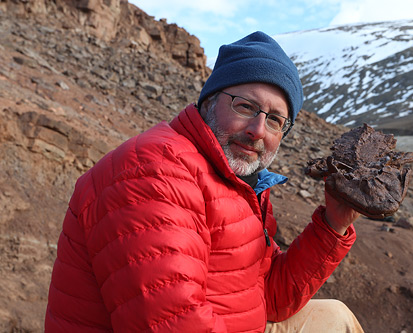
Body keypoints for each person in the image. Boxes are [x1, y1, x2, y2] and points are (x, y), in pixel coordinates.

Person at [45, 31, 364, 332]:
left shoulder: (234, 179)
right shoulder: (154, 173)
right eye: (246, 106)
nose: (258, 129)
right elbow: (173, 321)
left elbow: (267, 298)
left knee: (334, 317)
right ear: (209, 102)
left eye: (275, 120)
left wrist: (333, 224)